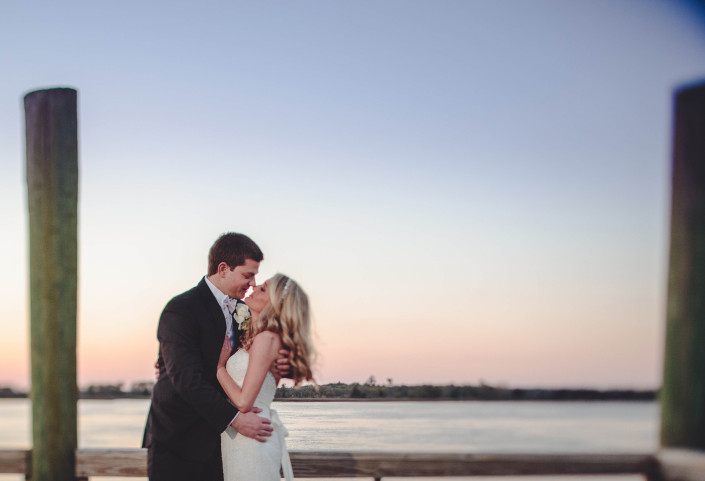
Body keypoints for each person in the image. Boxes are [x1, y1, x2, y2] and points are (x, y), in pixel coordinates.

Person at [142, 233, 290, 481]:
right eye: (247, 275)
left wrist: (284, 364)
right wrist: (234, 420)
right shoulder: (181, 309)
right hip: (178, 442)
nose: (253, 283)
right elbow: (185, 377)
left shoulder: (245, 311)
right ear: (223, 269)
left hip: (222, 446)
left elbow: (255, 356)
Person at [218, 273, 315, 481]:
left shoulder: (266, 338)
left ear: (276, 305)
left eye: (262, 289)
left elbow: (244, 402)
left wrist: (219, 368)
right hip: (238, 437)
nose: (254, 287)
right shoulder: (253, 335)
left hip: (252, 435)